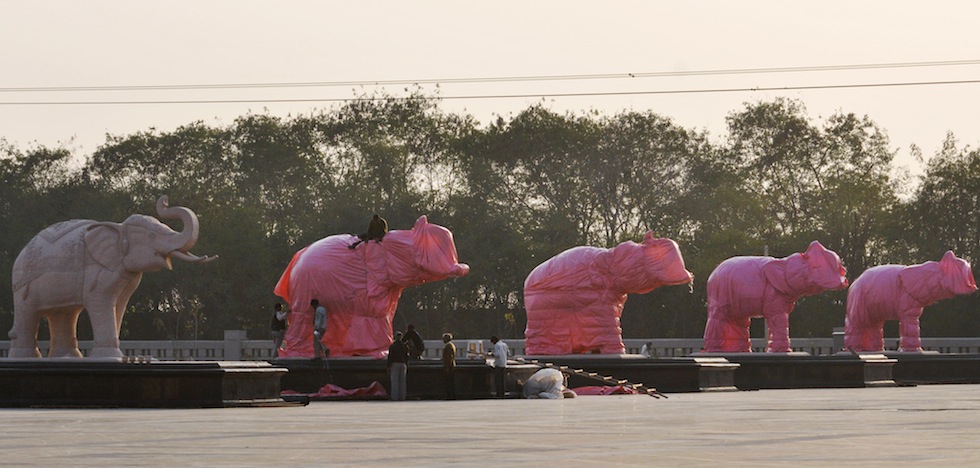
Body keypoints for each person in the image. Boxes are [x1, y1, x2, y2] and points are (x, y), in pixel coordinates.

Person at [387, 331, 410, 401]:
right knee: (402, 382)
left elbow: (390, 357)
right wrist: (406, 363)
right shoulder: (405, 346)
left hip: (395, 364)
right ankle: (402, 396)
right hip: (403, 364)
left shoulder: (393, 346)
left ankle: (395, 397)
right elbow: (407, 356)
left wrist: (388, 366)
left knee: (395, 381)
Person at [442, 333, 456, 400]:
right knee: (451, 382)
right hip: (451, 366)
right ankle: (451, 395)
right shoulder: (451, 345)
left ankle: (449, 396)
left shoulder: (448, 346)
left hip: (449, 367)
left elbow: (449, 357)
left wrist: (447, 367)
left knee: (449, 382)